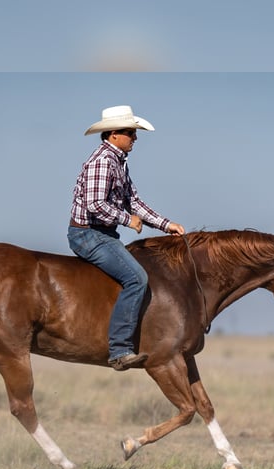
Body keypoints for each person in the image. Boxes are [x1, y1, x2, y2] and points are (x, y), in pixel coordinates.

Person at [68, 105, 185, 371]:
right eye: (131, 133)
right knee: (137, 278)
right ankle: (120, 350)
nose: (135, 138)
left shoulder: (118, 162)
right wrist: (127, 220)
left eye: (134, 132)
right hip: (88, 235)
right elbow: (95, 204)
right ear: (113, 134)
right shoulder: (102, 162)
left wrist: (166, 225)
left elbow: (134, 201)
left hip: (104, 234)